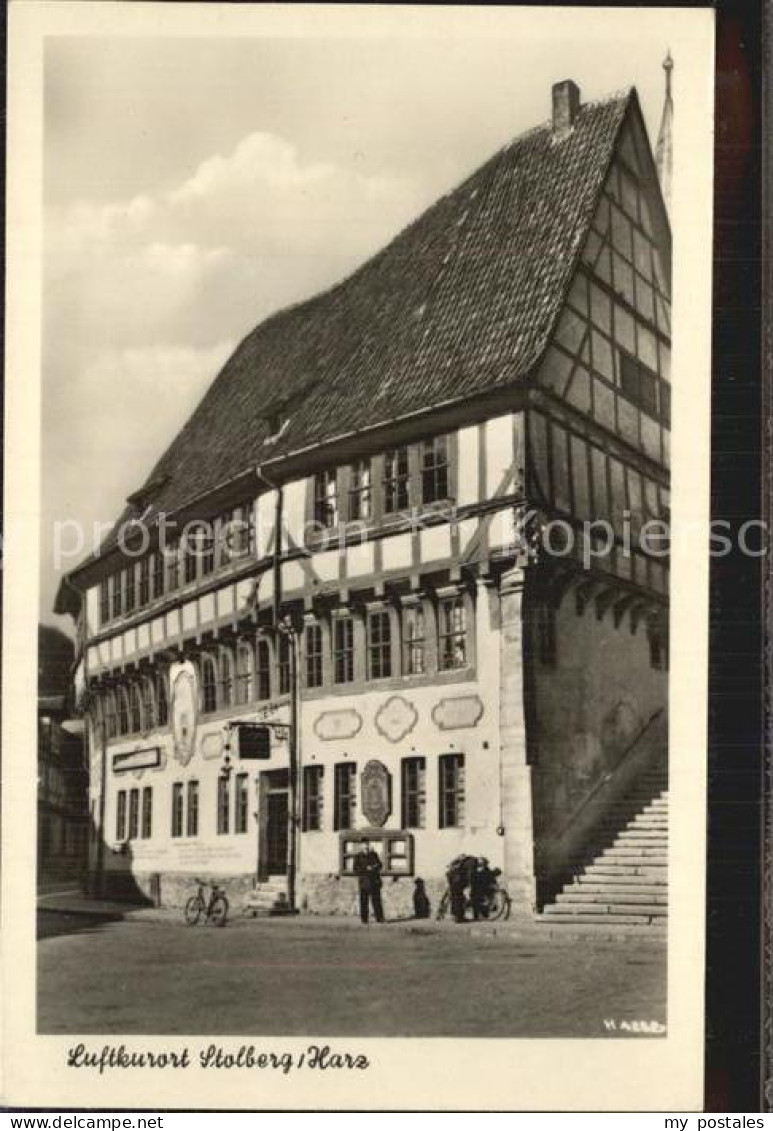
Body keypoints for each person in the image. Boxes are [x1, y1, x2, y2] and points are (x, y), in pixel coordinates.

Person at [354, 845, 384, 924]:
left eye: (367, 848)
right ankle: (364, 919)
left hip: (374, 881)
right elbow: (355, 869)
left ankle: (379, 918)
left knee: (376, 900)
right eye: (364, 848)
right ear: (361, 849)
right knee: (364, 901)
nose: (366, 849)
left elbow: (380, 865)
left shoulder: (374, 855)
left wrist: (375, 867)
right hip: (364, 882)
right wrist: (365, 869)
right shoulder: (358, 856)